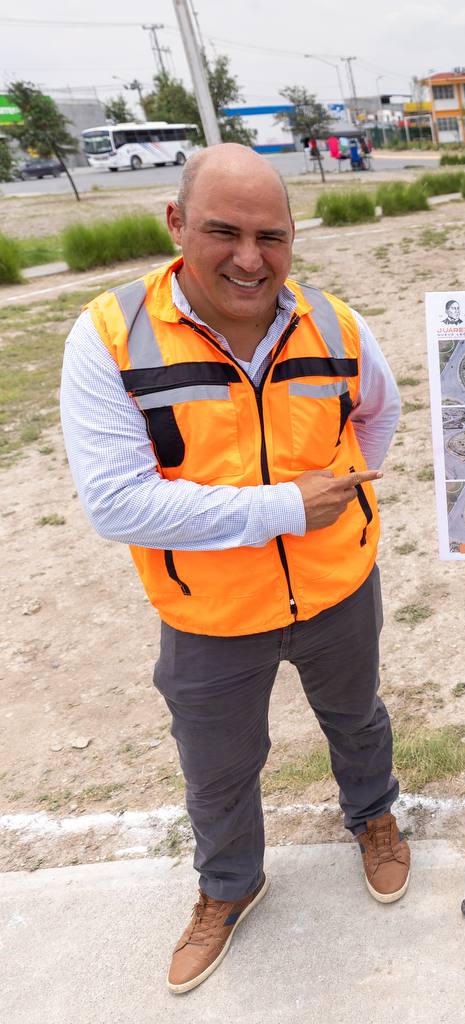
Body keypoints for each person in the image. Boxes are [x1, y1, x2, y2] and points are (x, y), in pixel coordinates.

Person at [59, 144, 408, 995]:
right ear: (177, 224)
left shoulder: (336, 323)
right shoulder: (110, 336)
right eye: (224, 232)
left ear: (292, 238)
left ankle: (373, 818)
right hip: (207, 612)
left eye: (271, 236)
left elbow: (380, 413)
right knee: (217, 766)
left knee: (357, 718)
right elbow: (117, 504)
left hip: (337, 585)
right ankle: (229, 886)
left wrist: (346, 498)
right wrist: (286, 508)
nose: (251, 259)